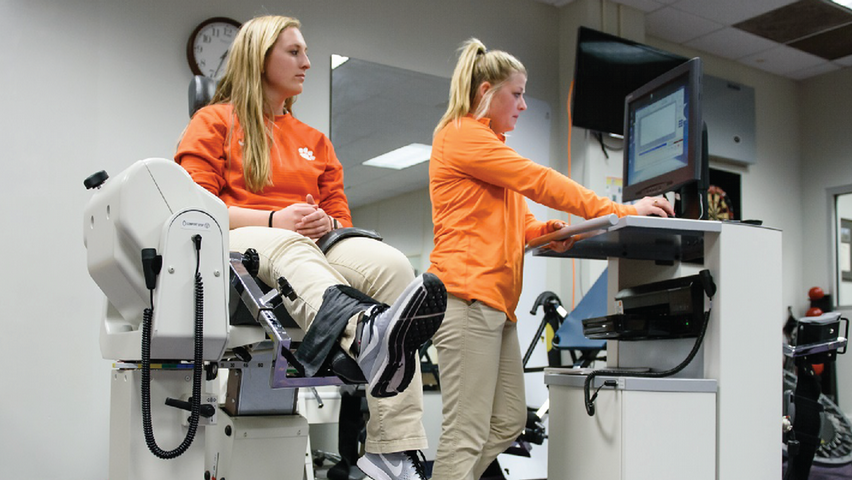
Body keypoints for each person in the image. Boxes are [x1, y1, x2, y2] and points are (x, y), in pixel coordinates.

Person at [174, 15, 443, 480]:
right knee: (289, 245)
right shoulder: (214, 121)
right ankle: (363, 334)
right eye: (294, 52)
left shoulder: (315, 140)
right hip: (244, 238)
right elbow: (196, 207)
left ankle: (392, 450)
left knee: (392, 265)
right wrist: (274, 219)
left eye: (306, 52)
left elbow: (343, 218)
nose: (307, 62)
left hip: (313, 241)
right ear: (260, 58)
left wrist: (326, 221)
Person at [427, 38, 673, 480]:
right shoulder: (461, 135)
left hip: (496, 306)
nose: (522, 104)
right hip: (465, 300)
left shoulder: (490, 151)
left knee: (506, 422)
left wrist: (548, 234)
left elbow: (521, 227)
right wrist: (622, 210)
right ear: (486, 92)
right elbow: (540, 180)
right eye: (516, 93)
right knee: (464, 434)